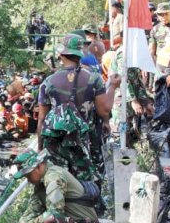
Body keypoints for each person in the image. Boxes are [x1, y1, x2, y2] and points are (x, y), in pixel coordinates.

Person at [0, 150, 103, 223]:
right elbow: (33, 210)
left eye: (28, 175)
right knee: (39, 222)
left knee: (48, 220)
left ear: (39, 166)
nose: (28, 180)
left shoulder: (53, 177)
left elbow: (55, 211)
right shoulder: (40, 184)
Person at [37, 33, 119, 182]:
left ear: (61, 54)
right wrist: (113, 87)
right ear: (80, 55)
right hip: (85, 143)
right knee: (88, 185)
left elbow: (42, 119)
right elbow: (104, 110)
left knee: (58, 183)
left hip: (57, 144)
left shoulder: (48, 82)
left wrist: (40, 148)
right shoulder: (94, 79)